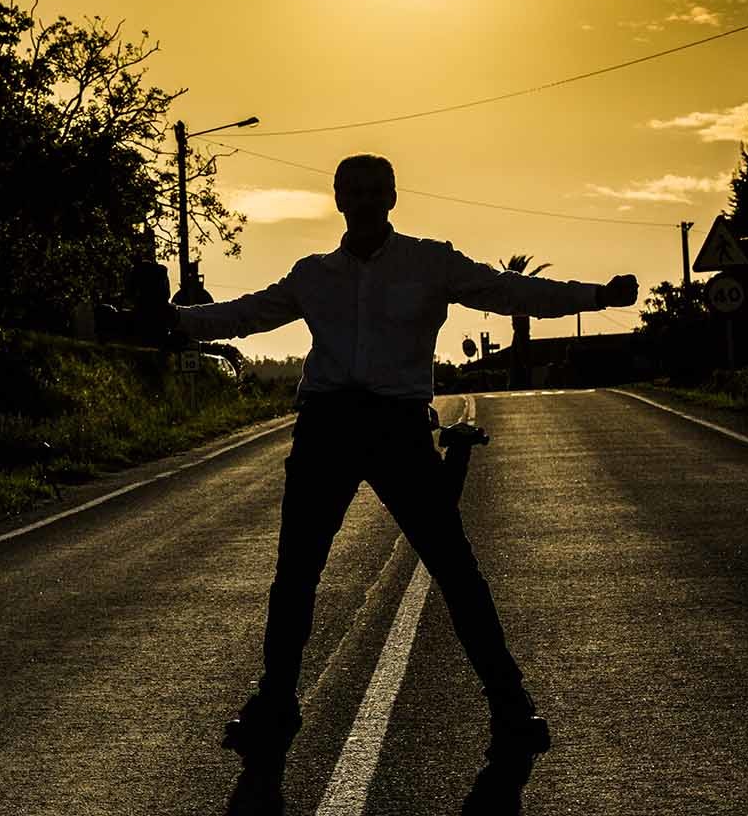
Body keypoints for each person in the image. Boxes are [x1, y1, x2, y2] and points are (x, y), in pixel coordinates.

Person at [164, 153, 638, 768]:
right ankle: (274, 704)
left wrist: (596, 296)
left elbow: (507, 289)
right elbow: (245, 314)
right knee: (296, 574)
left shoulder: (430, 262)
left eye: (372, 191)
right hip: (326, 429)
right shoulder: (313, 274)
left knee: (455, 570)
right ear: (337, 199)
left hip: (399, 431)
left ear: (391, 198)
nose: (361, 201)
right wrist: (167, 322)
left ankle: (511, 707)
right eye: (351, 191)